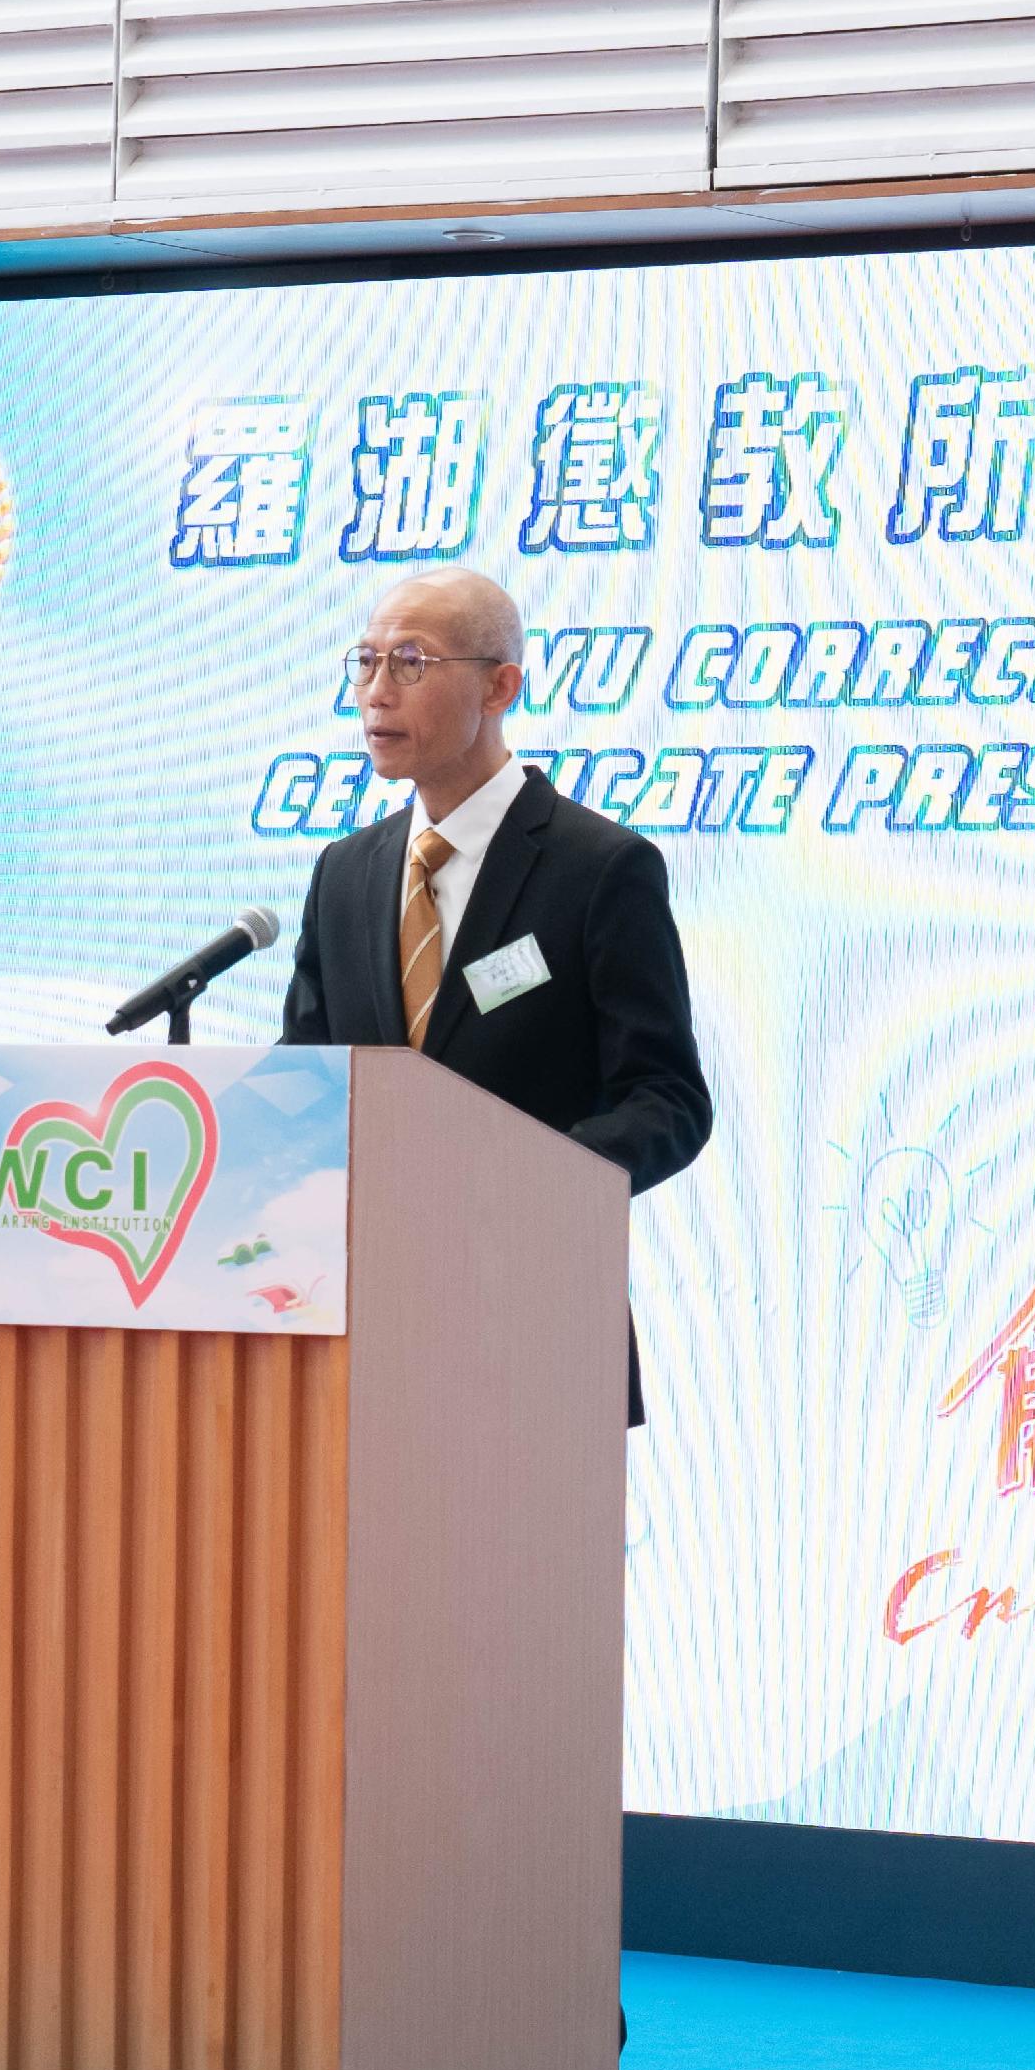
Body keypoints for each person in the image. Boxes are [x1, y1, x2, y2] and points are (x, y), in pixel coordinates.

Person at [277, 566, 710, 1427]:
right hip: (364, 1325)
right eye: (363, 663)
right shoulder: (346, 873)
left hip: (538, 1316)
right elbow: (305, 1084)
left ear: (501, 686)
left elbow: (668, 1100)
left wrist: (529, 1183)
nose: (374, 691)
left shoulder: (601, 870)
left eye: (409, 663)